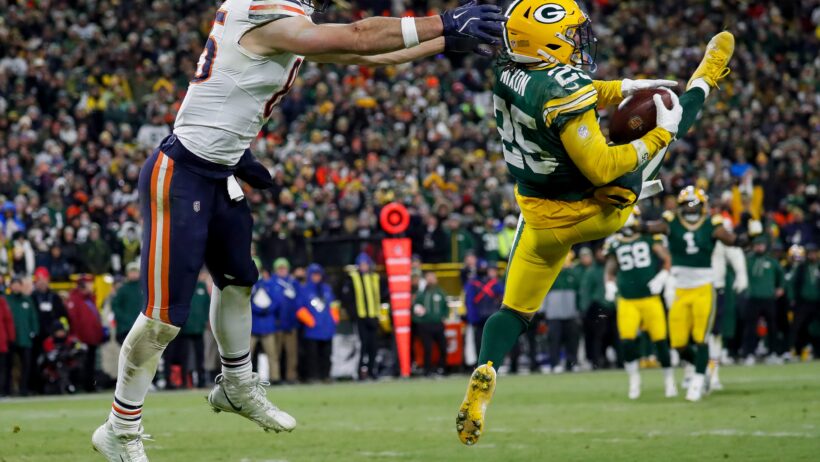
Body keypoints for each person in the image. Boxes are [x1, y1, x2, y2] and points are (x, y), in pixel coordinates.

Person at [92, 0, 507, 457]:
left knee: (238, 282)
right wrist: (442, 22)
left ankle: (236, 386)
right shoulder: (267, 16)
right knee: (162, 319)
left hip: (219, 172)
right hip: (181, 173)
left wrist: (445, 41)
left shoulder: (284, 20)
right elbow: (356, 37)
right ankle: (119, 429)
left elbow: (365, 53)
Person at [456, 0, 735, 443]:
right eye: (569, 36)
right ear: (546, 41)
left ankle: (487, 367)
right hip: (591, 211)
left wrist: (620, 87)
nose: (577, 43)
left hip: (536, 214)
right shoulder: (561, 88)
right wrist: (659, 133)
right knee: (664, 129)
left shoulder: (505, 67)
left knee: (514, 310)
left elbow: (560, 88)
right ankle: (707, 75)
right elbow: (602, 166)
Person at [643, 187, 754, 402]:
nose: (691, 208)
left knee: (702, 337)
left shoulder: (713, 224)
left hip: (705, 286)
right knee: (678, 343)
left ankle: (698, 381)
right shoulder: (671, 222)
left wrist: (747, 236)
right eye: (687, 204)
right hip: (680, 287)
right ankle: (702, 370)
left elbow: (734, 243)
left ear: (703, 206)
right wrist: (633, 224)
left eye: (695, 204)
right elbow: (652, 228)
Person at [604, 208, 676, 400]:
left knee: (660, 341)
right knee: (627, 341)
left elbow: (667, 259)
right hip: (627, 300)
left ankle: (669, 379)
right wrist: (609, 284)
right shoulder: (615, 242)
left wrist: (663, 275)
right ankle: (634, 379)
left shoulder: (649, 237)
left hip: (650, 298)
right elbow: (610, 270)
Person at [709, 226, 748, 390]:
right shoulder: (681, 227)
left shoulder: (715, 230)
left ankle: (713, 375)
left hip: (714, 288)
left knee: (714, 334)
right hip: (689, 288)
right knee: (691, 335)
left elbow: (735, 251)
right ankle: (691, 373)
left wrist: (741, 274)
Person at [742, 236, 785, 364]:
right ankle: (749, 354)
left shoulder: (771, 261)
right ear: (753, 246)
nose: (759, 247)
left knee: (772, 327)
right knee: (750, 327)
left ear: (765, 246)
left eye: (761, 245)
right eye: (757, 245)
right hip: (752, 297)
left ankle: (773, 353)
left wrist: (781, 288)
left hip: (768, 297)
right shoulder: (748, 260)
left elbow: (781, 274)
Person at [342, 253, 382, 380]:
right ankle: (360, 372)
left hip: (373, 316)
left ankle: (372, 371)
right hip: (361, 317)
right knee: (362, 345)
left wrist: (377, 315)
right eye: (361, 264)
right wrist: (354, 315)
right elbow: (347, 299)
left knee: (373, 346)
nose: (364, 267)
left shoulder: (374, 277)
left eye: (365, 264)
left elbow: (379, 295)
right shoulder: (352, 279)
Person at [296, 264, 338, 383]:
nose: (317, 277)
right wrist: (311, 322)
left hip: (327, 328)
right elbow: (299, 308)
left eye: (318, 274)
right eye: (314, 274)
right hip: (312, 330)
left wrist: (334, 320)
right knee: (312, 355)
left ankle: (326, 375)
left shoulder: (327, 289)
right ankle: (313, 376)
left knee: (327, 354)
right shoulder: (304, 289)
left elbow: (334, 305)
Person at [30, 266, 68, 393]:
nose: (41, 282)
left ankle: (58, 387)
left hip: (54, 338)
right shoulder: (32, 297)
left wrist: (61, 330)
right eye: (39, 279)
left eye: (44, 279)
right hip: (37, 337)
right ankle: (36, 388)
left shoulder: (54, 297)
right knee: (36, 362)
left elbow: (63, 316)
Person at [542, 253, 581, 373]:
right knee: (554, 340)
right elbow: (542, 293)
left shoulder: (573, 274)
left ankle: (572, 363)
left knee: (572, 340)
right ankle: (555, 363)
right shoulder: (550, 274)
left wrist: (578, 309)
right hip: (553, 314)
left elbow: (578, 293)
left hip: (570, 313)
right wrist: (543, 310)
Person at [66, 274, 105, 392]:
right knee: (83, 363)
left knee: (91, 363)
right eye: (89, 283)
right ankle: (83, 386)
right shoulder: (75, 299)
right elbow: (74, 320)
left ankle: (90, 386)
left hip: (92, 337)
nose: (91, 286)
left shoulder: (89, 298)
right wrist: (77, 338)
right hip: (82, 339)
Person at [464, 260, 503, 366]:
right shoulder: (473, 283)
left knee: (490, 342)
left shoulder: (493, 282)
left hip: (489, 316)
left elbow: (502, 297)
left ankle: (490, 364)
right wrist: (473, 318)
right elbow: (470, 302)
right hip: (481, 318)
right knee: (480, 343)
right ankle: (482, 364)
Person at [412, 272, 450, 376]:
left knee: (443, 347)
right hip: (425, 325)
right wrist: (419, 320)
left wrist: (443, 317)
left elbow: (446, 307)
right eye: (428, 278)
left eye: (432, 278)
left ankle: (441, 368)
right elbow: (415, 307)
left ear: (436, 279)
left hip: (438, 324)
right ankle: (427, 370)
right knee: (427, 348)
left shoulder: (441, 292)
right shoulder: (421, 293)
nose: (430, 280)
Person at [6, 277, 38, 396]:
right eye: (14, 284)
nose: (16, 287)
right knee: (9, 365)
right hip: (11, 339)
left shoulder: (27, 300)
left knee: (27, 365)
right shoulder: (6, 300)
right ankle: (8, 389)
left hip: (25, 338)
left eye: (18, 284)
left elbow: (33, 317)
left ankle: (24, 389)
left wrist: (34, 331)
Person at [787, 244, 819, 359]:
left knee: (816, 328)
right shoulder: (801, 267)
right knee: (797, 326)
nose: (812, 255)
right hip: (803, 302)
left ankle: (816, 351)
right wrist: (792, 298)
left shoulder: (818, 266)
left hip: (817, 302)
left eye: (814, 253)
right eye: (810, 253)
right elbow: (792, 283)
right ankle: (793, 350)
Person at [271, 258, 300, 384]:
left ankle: (291, 376)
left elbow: (299, 301)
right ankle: (276, 377)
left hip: (291, 323)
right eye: (280, 268)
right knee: (276, 353)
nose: (282, 270)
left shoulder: (293, 283)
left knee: (291, 353)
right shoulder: (271, 283)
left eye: (284, 268)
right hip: (277, 324)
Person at [250, 268, 280, 383]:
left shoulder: (269, 286)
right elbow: (246, 302)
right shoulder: (250, 286)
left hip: (267, 326)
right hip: (253, 327)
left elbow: (276, 301)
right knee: (247, 357)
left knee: (272, 355)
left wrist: (266, 309)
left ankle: (275, 378)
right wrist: (259, 309)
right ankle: (244, 379)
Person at [111, 262, 143, 344]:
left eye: (135, 272)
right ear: (127, 274)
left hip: (142, 329)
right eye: (131, 272)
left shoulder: (144, 288)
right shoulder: (122, 289)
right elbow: (115, 306)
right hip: (126, 329)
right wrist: (125, 320)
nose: (133, 274)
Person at [0, 290, 17, 396]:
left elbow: (8, 321)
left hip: (1, 342)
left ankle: (3, 390)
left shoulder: (2, 302)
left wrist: (11, 338)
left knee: (3, 368)